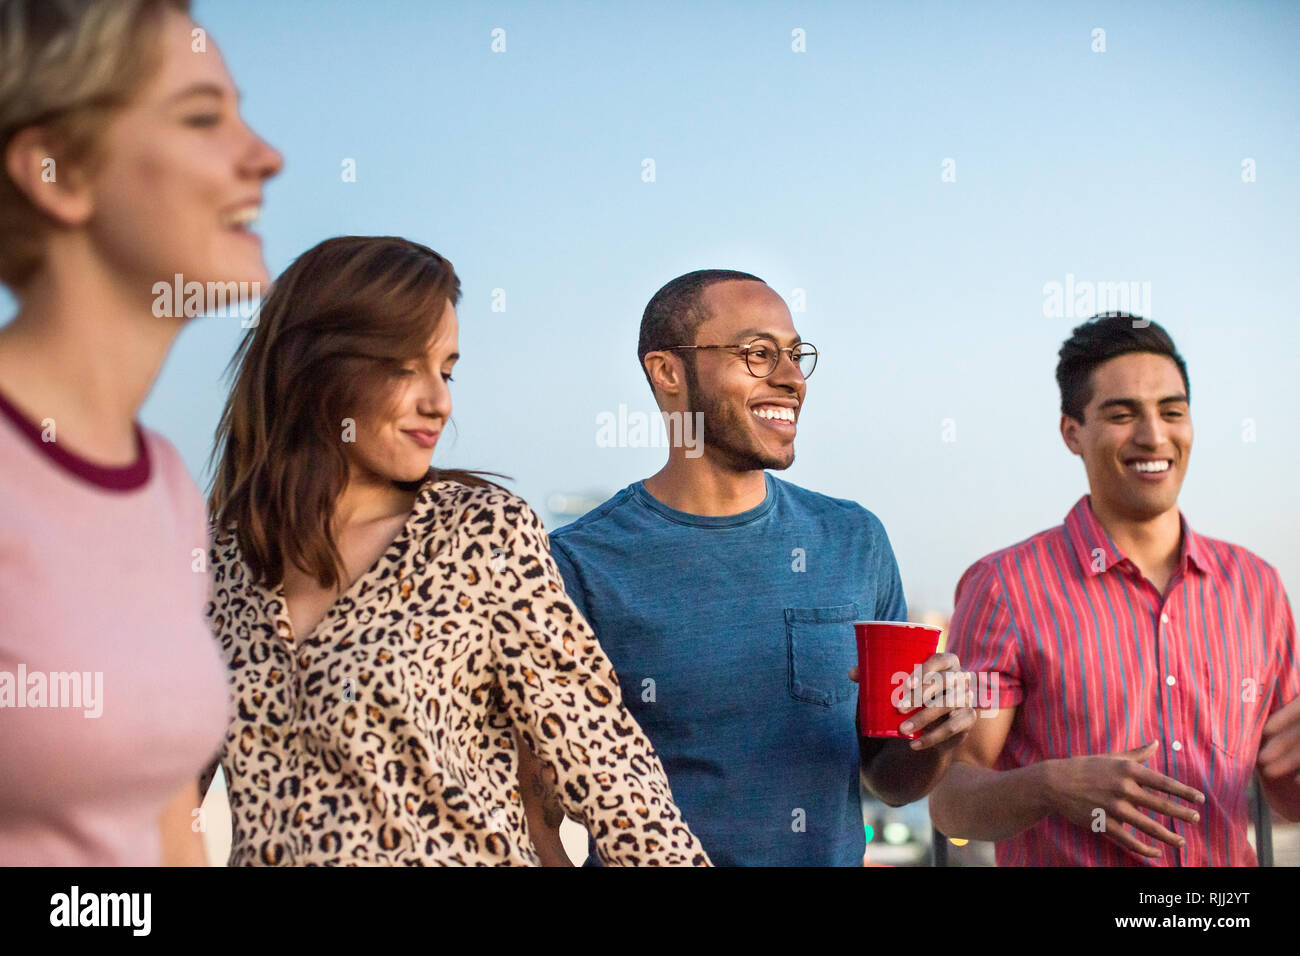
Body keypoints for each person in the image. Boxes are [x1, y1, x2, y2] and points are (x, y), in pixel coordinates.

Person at [201, 235, 711, 866]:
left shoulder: (480, 535)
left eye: (445, 370)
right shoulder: (215, 562)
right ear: (316, 365)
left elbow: (615, 779)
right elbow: (146, 799)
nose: (438, 402)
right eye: (403, 368)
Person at [529, 269, 975, 866]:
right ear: (667, 372)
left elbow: (892, 783)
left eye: (795, 355)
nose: (792, 380)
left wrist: (939, 735)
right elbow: (537, 811)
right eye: (759, 354)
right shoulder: (578, 564)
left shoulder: (854, 541)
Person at [0, 0, 281, 864]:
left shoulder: (161, 486)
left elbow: (163, 822)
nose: (265, 155)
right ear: (56, 171)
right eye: (202, 117)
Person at [929, 312, 1300, 865]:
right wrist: (1049, 785)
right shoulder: (1006, 586)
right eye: (1122, 415)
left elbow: (1287, 799)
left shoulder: (1256, 587)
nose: (1154, 436)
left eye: (1171, 412)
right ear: (1072, 432)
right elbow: (952, 799)